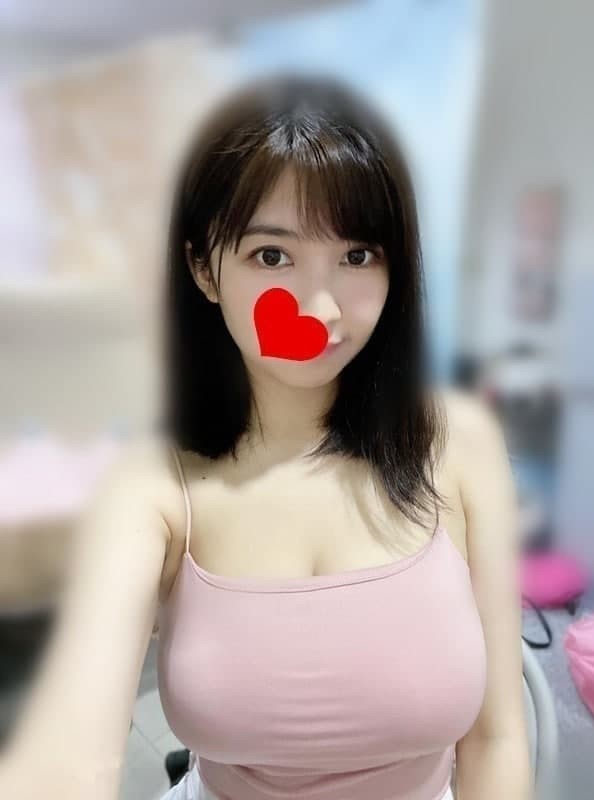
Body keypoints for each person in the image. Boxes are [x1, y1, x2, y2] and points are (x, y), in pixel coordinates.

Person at [0, 73, 533, 800]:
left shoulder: (459, 443)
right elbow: (68, 756)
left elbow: (496, 738)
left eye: (356, 256)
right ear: (203, 268)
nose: (320, 309)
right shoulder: (154, 484)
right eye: (272, 256)